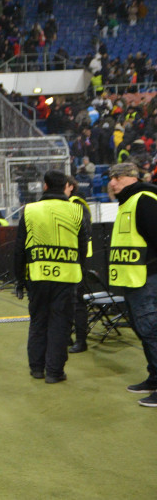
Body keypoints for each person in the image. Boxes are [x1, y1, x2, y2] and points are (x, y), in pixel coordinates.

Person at [14, 170, 88, 384]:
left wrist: (20, 279)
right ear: (66, 186)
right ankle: (54, 372)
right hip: (67, 277)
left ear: (45, 186)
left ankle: (37, 368)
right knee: (60, 324)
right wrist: (80, 272)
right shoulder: (77, 210)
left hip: (37, 275)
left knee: (38, 322)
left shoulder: (30, 210)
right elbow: (83, 247)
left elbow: (19, 249)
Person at [107, 162, 157, 407]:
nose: (112, 182)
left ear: (131, 177)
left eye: (117, 177)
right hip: (134, 279)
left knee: (152, 330)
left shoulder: (144, 199)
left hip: (148, 278)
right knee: (145, 330)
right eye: (111, 178)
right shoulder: (128, 202)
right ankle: (154, 377)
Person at [66, 175, 93, 354]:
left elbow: (84, 233)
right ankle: (68, 336)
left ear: (70, 187)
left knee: (77, 302)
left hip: (77, 259)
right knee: (67, 301)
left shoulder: (77, 204)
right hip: (69, 258)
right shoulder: (70, 204)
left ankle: (81, 340)